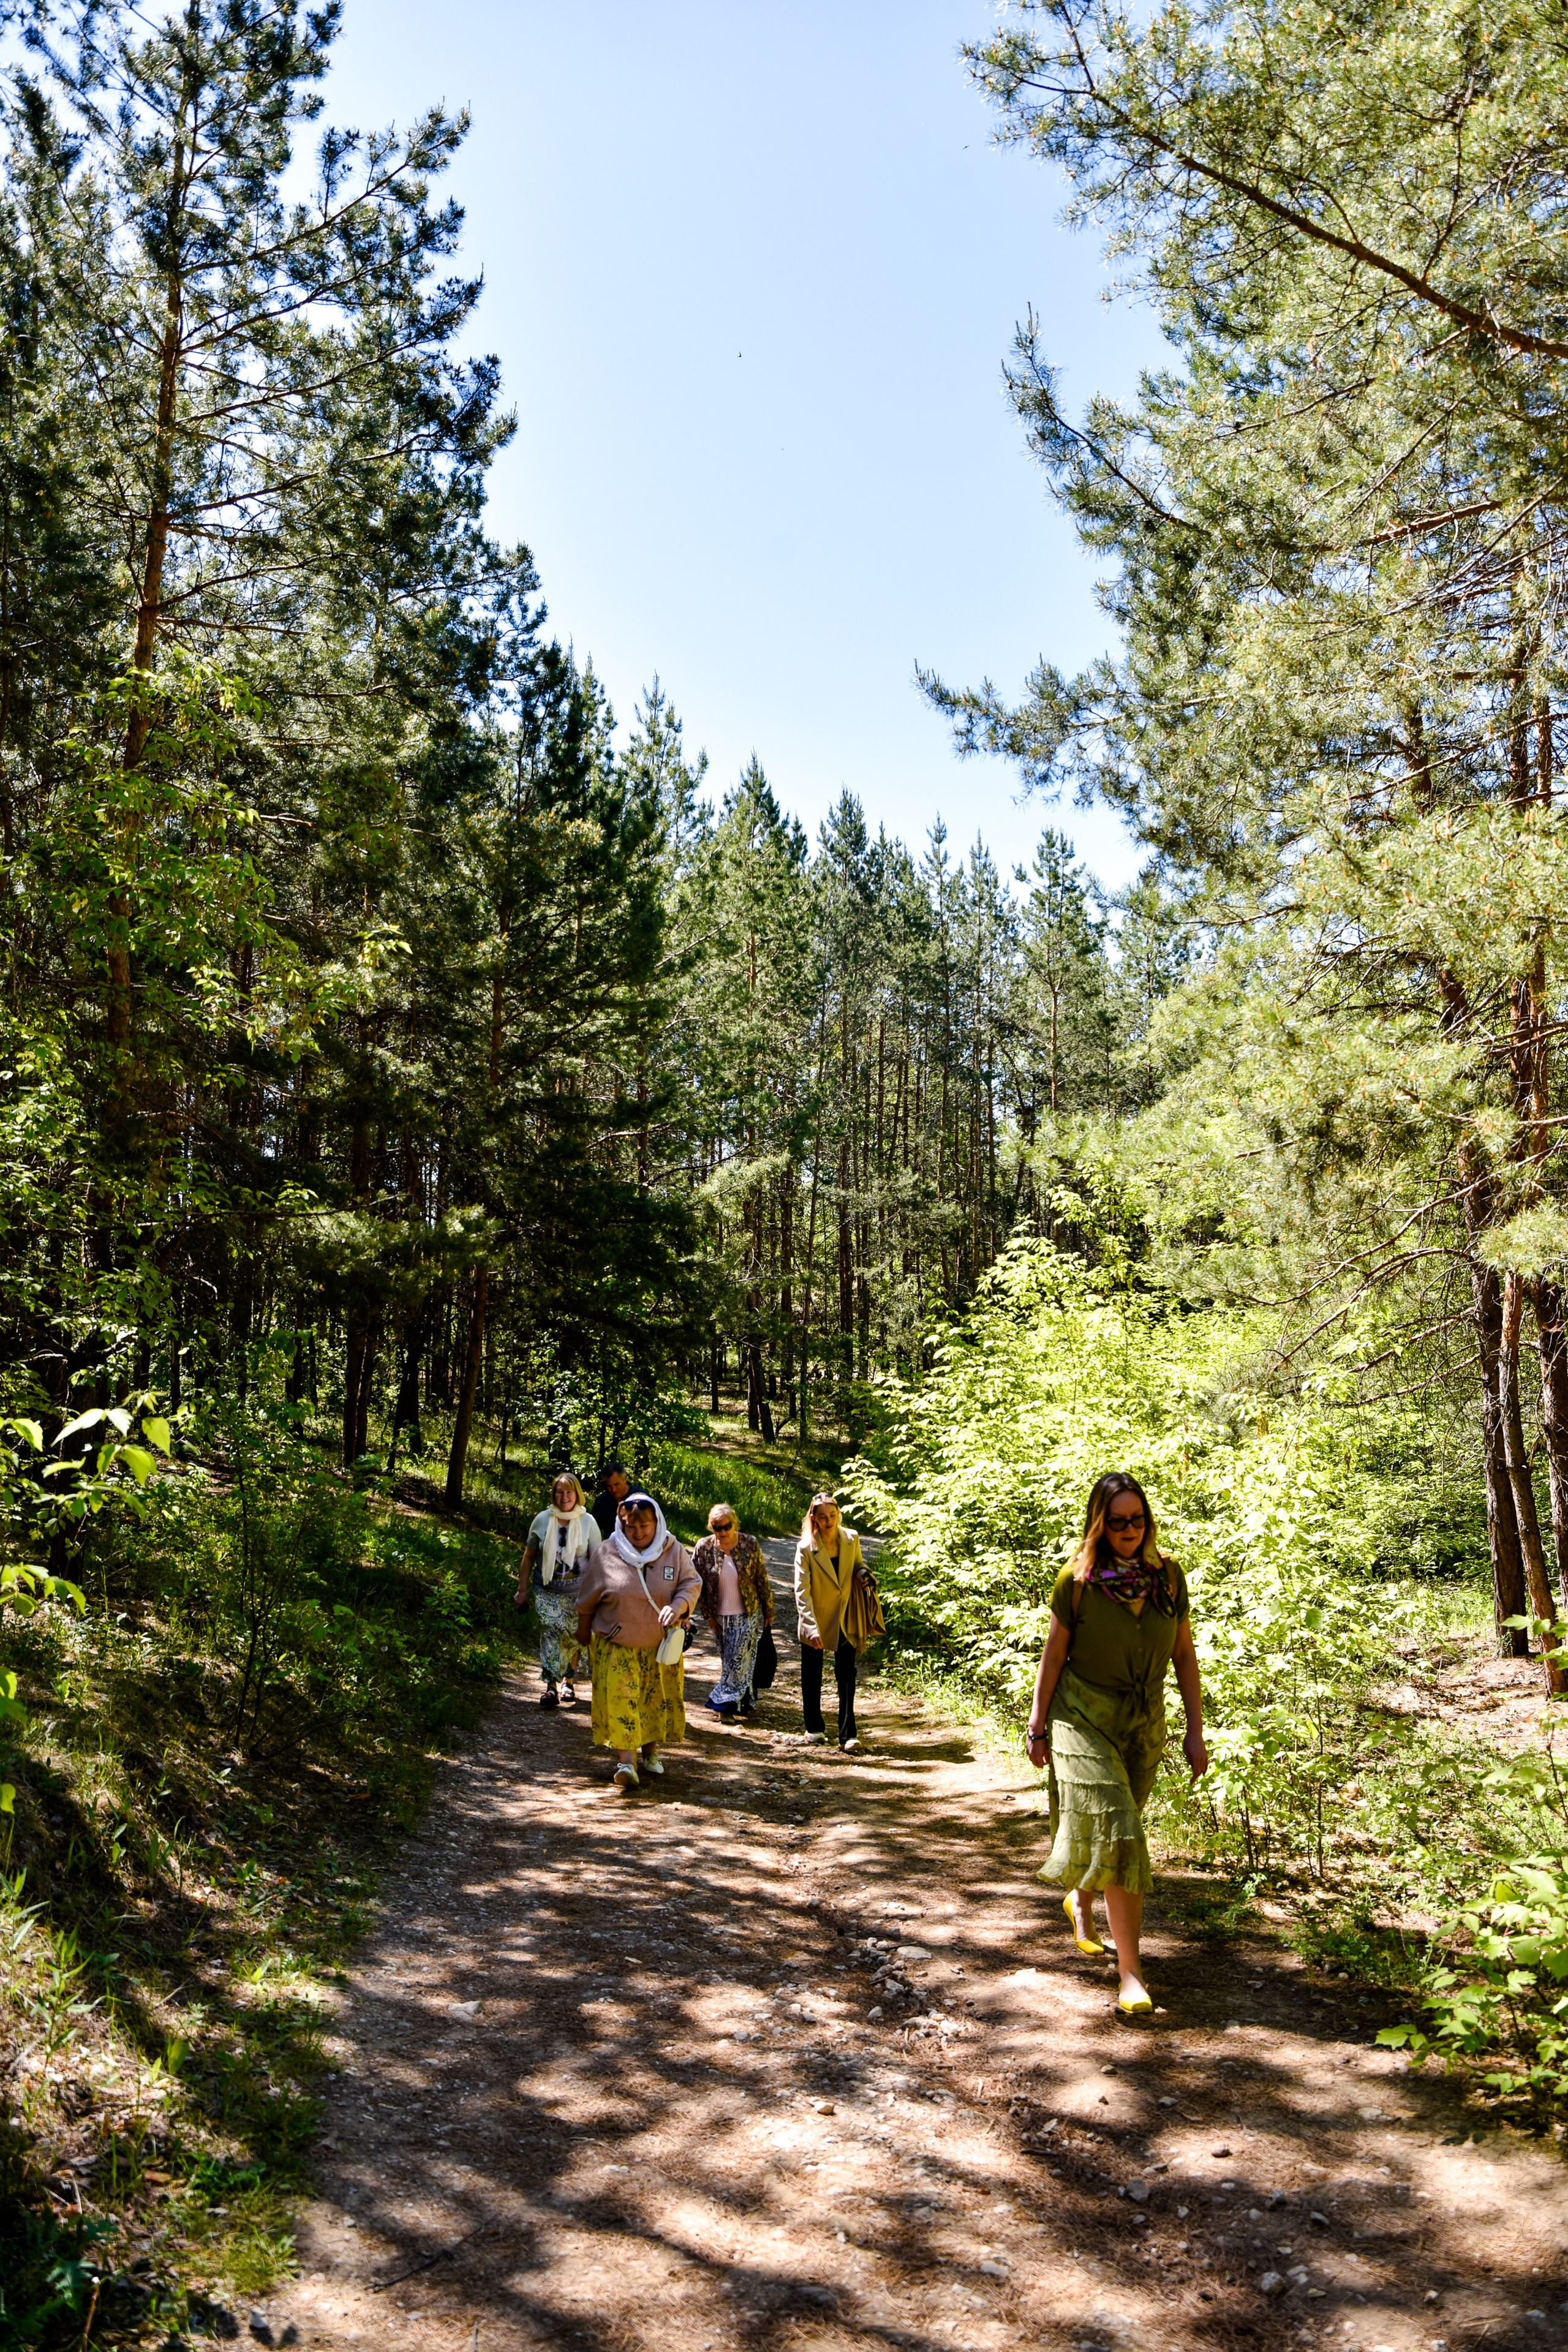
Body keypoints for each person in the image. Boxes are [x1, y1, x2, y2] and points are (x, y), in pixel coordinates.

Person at [1024, 1471, 1208, 2018]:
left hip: (1143, 1720)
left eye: (1138, 1518)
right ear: (1099, 1523)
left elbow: (1185, 1658)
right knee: (1121, 1832)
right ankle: (1130, 1972)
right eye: (1118, 1520)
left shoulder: (1168, 1578)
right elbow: (1053, 1657)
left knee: (1113, 1823)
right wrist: (1037, 1725)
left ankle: (1080, 1896)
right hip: (1081, 1715)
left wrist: (1195, 1731)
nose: (1130, 1529)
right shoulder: (1077, 1581)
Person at [574, 1491, 700, 1793]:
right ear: (622, 1524)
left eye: (645, 1526)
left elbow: (691, 1583)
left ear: (657, 1523)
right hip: (618, 1646)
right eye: (632, 1527)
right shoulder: (607, 1553)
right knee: (622, 1702)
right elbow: (587, 1600)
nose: (639, 1533)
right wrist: (582, 1632)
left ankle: (650, 1753)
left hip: (657, 1648)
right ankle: (626, 1764)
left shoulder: (672, 1550)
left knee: (652, 1701)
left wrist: (680, 1605)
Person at [794, 1493, 871, 1752]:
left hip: (846, 1614)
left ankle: (848, 1734)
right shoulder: (806, 1547)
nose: (828, 1522)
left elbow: (858, 1565)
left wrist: (863, 1575)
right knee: (812, 1672)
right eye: (823, 1517)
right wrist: (810, 1626)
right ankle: (814, 1727)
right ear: (813, 1518)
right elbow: (801, 1591)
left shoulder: (851, 1538)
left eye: (832, 1516)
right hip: (815, 1616)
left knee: (847, 1673)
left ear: (839, 1515)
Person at [514, 1470, 595, 1709]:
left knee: (573, 1635)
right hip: (546, 1589)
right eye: (559, 1492)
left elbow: (598, 1559)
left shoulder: (588, 1522)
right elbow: (529, 1557)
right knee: (552, 1629)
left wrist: (598, 1595)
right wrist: (522, 1590)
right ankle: (550, 1687)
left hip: (578, 1593)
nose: (564, 1497)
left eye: (569, 1492)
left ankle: (568, 1682)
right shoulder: (542, 1520)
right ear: (553, 1495)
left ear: (577, 1494)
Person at [692, 1502, 773, 1723]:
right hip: (719, 1616)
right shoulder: (704, 1547)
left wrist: (769, 1609)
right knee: (730, 1660)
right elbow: (694, 1583)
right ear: (711, 1528)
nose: (723, 1532)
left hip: (747, 1612)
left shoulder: (749, 1544)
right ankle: (745, 1698)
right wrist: (708, 1615)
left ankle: (723, 1704)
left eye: (727, 1526)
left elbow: (761, 1578)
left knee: (735, 1661)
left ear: (734, 1524)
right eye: (717, 1528)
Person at [589, 1462, 633, 1539]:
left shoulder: (641, 1498)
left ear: (625, 1479)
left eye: (616, 1484)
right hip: (611, 1548)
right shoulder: (601, 1502)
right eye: (609, 1486)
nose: (614, 1490)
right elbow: (591, 1531)